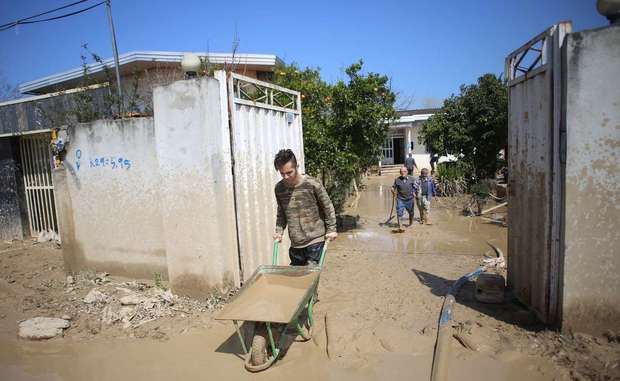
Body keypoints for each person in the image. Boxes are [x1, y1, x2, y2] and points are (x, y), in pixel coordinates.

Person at [273, 149, 337, 266]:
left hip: (315, 239)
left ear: (297, 166)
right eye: (282, 173)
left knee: (309, 274)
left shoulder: (312, 184)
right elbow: (281, 212)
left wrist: (331, 229)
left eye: (289, 172)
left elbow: (327, 206)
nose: (286, 176)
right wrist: (279, 231)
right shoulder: (279, 188)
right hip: (296, 242)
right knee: (297, 279)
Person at [391, 166, 418, 231]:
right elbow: (393, 187)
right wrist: (392, 190)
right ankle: (400, 227)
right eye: (401, 172)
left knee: (411, 213)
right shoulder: (397, 180)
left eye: (404, 171)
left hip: (410, 199)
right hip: (400, 199)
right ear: (400, 172)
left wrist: (414, 192)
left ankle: (410, 224)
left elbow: (416, 187)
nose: (403, 173)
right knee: (399, 212)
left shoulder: (412, 179)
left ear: (407, 172)